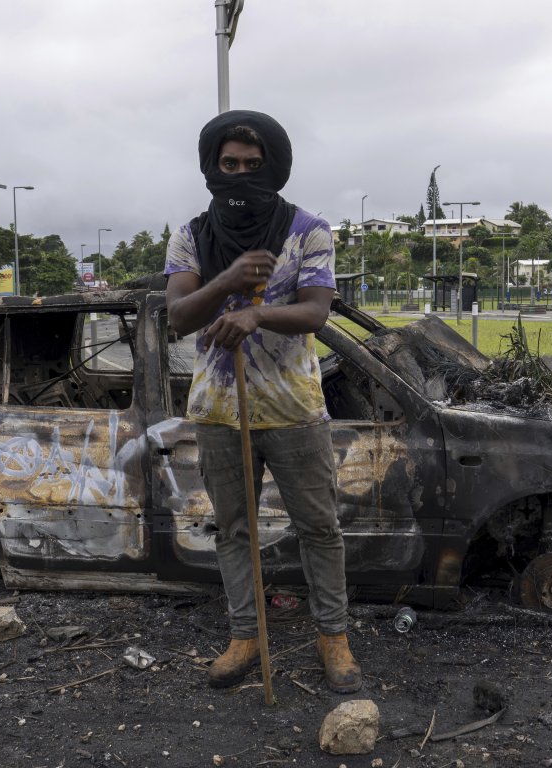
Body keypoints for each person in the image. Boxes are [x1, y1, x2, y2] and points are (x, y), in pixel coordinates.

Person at [163, 110, 361, 694]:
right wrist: (227, 283)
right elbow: (177, 316)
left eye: (253, 165)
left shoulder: (309, 230)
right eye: (229, 165)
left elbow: (316, 312)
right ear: (211, 167)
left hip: (295, 408)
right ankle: (246, 636)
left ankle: (334, 638)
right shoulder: (191, 236)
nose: (241, 174)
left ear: (274, 166)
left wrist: (257, 313)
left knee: (319, 528)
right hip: (222, 411)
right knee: (234, 529)